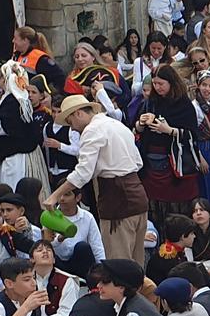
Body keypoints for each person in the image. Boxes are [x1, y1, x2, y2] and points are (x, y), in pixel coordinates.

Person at [49, 95, 149, 263]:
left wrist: (55, 196)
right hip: (137, 195)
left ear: (78, 113)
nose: (72, 129)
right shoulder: (117, 125)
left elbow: (83, 173)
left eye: (70, 122)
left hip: (117, 200)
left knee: (119, 265)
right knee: (136, 264)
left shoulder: (92, 130)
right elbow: (138, 162)